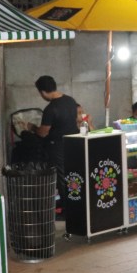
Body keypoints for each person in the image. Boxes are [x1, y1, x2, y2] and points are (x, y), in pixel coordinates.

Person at [30, 75, 80, 206]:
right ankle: (77, 204)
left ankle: (67, 209)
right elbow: (74, 121)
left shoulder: (50, 109)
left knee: (62, 178)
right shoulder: (71, 101)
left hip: (58, 147)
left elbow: (43, 132)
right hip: (74, 143)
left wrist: (32, 127)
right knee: (74, 174)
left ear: (42, 92)